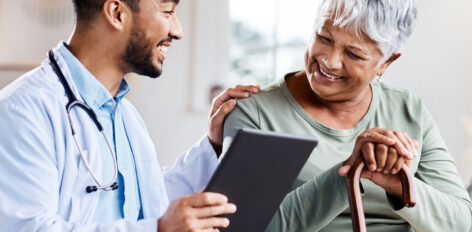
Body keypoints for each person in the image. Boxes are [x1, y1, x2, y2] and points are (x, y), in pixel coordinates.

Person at [0, 0, 261, 231]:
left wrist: (213, 144)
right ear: (117, 13)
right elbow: (25, 226)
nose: (177, 31)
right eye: (168, 11)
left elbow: (148, 203)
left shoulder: (123, 112)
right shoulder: (22, 111)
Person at [223, 0, 472, 231]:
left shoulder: (409, 109)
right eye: (324, 37)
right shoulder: (254, 112)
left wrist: (399, 184)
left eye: (353, 54)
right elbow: (244, 227)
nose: (330, 61)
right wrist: (348, 173)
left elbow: (462, 222)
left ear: (387, 62)